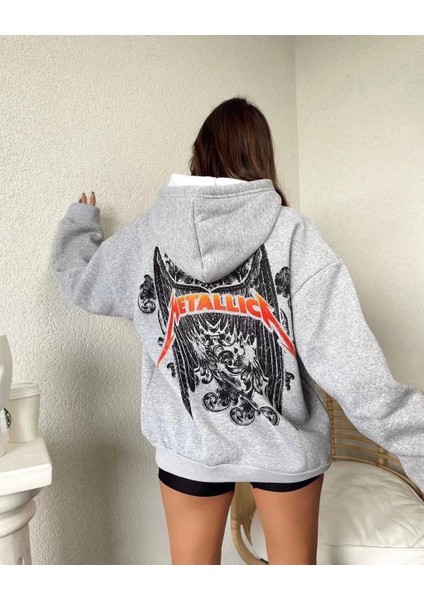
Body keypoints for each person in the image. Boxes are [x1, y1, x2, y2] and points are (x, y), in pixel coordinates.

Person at [51, 96, 424, 566]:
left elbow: (84, 285)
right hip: (284, 447)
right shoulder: (294, 236)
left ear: (199, 156)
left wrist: (79, 228)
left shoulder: (147, 237)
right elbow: (356, 373)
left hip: (190, 446)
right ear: (262, 158)